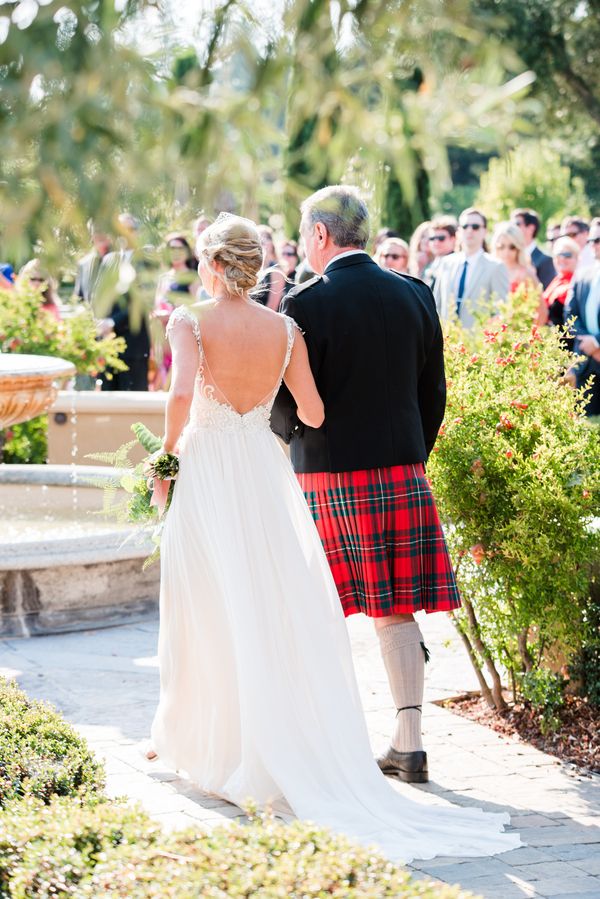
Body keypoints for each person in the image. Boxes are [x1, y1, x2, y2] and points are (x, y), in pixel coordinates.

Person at [149, 210, 520, 863]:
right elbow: (323, 407)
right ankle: (377, 735)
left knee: (203, 603)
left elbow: (186, 399)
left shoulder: (198, 320)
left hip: (218, 473)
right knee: (276, 604)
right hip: (285, 478)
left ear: (210, 264)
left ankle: (206, 741)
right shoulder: (296, 323)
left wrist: (165, 458)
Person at [272, 184, 459, 786]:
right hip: (402, 468)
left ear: (321, 235)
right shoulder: (414, 293)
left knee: (313, 605)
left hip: (327, 474)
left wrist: (285, 442)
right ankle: (409, 745)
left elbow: (288, 405)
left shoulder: (305, 303)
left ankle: (319, 744)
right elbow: (434, 393)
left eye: (306, 234)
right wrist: (409, 454)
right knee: (395, 609)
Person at [94, 213, 151, 391]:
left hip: (133, 341)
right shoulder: (108, 260)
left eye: (129, 229)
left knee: (133, 403)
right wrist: (99, 323)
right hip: (108, 343)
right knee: (106, 400)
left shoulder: (146, 261)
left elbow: (142, 301)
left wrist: (112, 322)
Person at [433, 208, 509, 329]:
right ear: (459, 231)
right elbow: (436, 305)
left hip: (477, 342)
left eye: (475, 226)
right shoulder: (446, 263)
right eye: (465, 226)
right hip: (447, 340)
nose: (469, 230)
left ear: (485, 231)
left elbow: (501, 311)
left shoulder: (496, 267)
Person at [152, 233, 201, 390]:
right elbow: (156, 304)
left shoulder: (192, 277)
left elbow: (197, 307)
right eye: (172, 248)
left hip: (181, 333)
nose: (176, 252)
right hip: (161, 336)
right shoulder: (164, 278)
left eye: (180, 248)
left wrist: (173, 313)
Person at [565, 220, 600, 416]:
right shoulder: (583, 274)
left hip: (594, 348)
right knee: (587, 426)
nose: (593, 244)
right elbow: (570, 313)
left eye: (598, 239)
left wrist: (597, 341)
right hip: (586, 360)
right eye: (591, 240)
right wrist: (588, 342)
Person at [538, 236, 579, 339]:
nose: (562, 258)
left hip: (566, 345)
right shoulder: (557, 280)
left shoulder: (579, 284)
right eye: (558, 255)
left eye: (567, 255)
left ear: (577, 258)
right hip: (549, 342)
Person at [511, 208, 555, 289]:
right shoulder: (509, 256)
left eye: (517, 224)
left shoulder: (545, 260)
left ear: (531, 228)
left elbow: (545, 294)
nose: (512, 228)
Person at [490, 221, 539, 293]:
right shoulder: (490, 271)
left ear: (518, 247)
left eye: (512, 247)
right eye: (501, 247)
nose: (506, 252)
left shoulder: (527, 274)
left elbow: (540, 303)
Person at [74, 223, 112, 303]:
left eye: (105, 230)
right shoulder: (83, 264)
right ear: (91, 236)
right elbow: (80, 299)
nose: (101, 234)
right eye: (97, 231)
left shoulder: (123, 260)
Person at [254, 225, 286, 309]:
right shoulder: (253, 270)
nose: (262, 241)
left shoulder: (276, 271)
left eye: (266, 238)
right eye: (258, 239)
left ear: (272, 244)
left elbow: (272, 307)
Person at [424, 215, 457, 289]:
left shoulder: (457, 265)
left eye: (441, 238)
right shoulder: (429, 265)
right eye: (432, 238)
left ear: (453, 239)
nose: (436, 242)